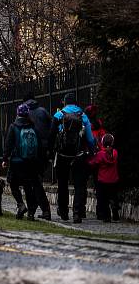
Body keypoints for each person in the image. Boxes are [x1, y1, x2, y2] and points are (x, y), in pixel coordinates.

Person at [49, 93, 96, 223]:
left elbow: (51, 135)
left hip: (62, 155)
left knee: (62, 183)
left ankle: (63, 212)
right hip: (79, 155)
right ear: (76, 103)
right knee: (79, 185)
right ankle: (77, 213)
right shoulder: (83, 115)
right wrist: (92, 151)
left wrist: (51, 152)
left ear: (64, 103)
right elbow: (90, 138)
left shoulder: (59, 115)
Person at [2, 103, 40, 220]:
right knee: (29, 186)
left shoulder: (14, 126)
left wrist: (5, 159)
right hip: (30, 162)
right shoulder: (32, 126)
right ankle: (31, 213)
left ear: (18, 114)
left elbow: (8, 145)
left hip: (16, 161)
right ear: (27, 114)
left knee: (13, 184)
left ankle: (21, 204)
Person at [23, 93, 52, 220]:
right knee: (36, 180)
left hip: (30, 152)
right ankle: (36, 209)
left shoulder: (24, 112)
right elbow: (52, 129)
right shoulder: (43, 111)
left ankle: (41, 210)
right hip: (44, 151)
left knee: (33, 182)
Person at [90, 133, 119, 222]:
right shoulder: (115, 153)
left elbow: (92, 163)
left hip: (102, 180)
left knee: (104, 199)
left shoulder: (100, 154)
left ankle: (107, 217)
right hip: (113, 179)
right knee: (113, 196)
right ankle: (115, 212)